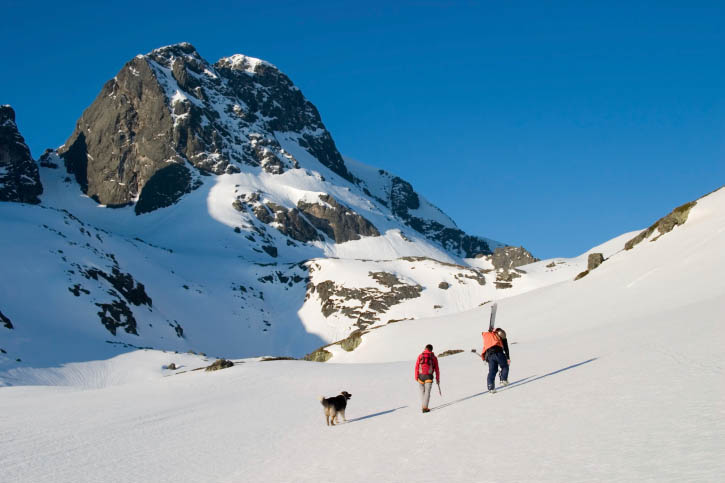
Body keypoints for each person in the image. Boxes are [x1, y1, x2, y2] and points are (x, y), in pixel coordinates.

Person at [481, 327, 510, 392]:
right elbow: (506, 347)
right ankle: (503, 380)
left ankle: (491, 387)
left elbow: (484, 349)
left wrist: (484, 358)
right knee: (505, 366)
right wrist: (508, 357)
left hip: (490, 356)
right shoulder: (498, 337)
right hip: (498, 353)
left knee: (492, 371)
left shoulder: (487, 337)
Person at [414, 344, 440, 413]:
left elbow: (416, 366)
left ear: (425, 348)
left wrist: (416, 376)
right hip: (429, 376)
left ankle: (424, 406)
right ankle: (425, 408)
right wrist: (437, 379)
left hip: (420, 377)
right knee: (427, 392)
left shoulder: (420, 355)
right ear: (431, 349)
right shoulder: (434, 357)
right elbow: (437, 369)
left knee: (422, 392)